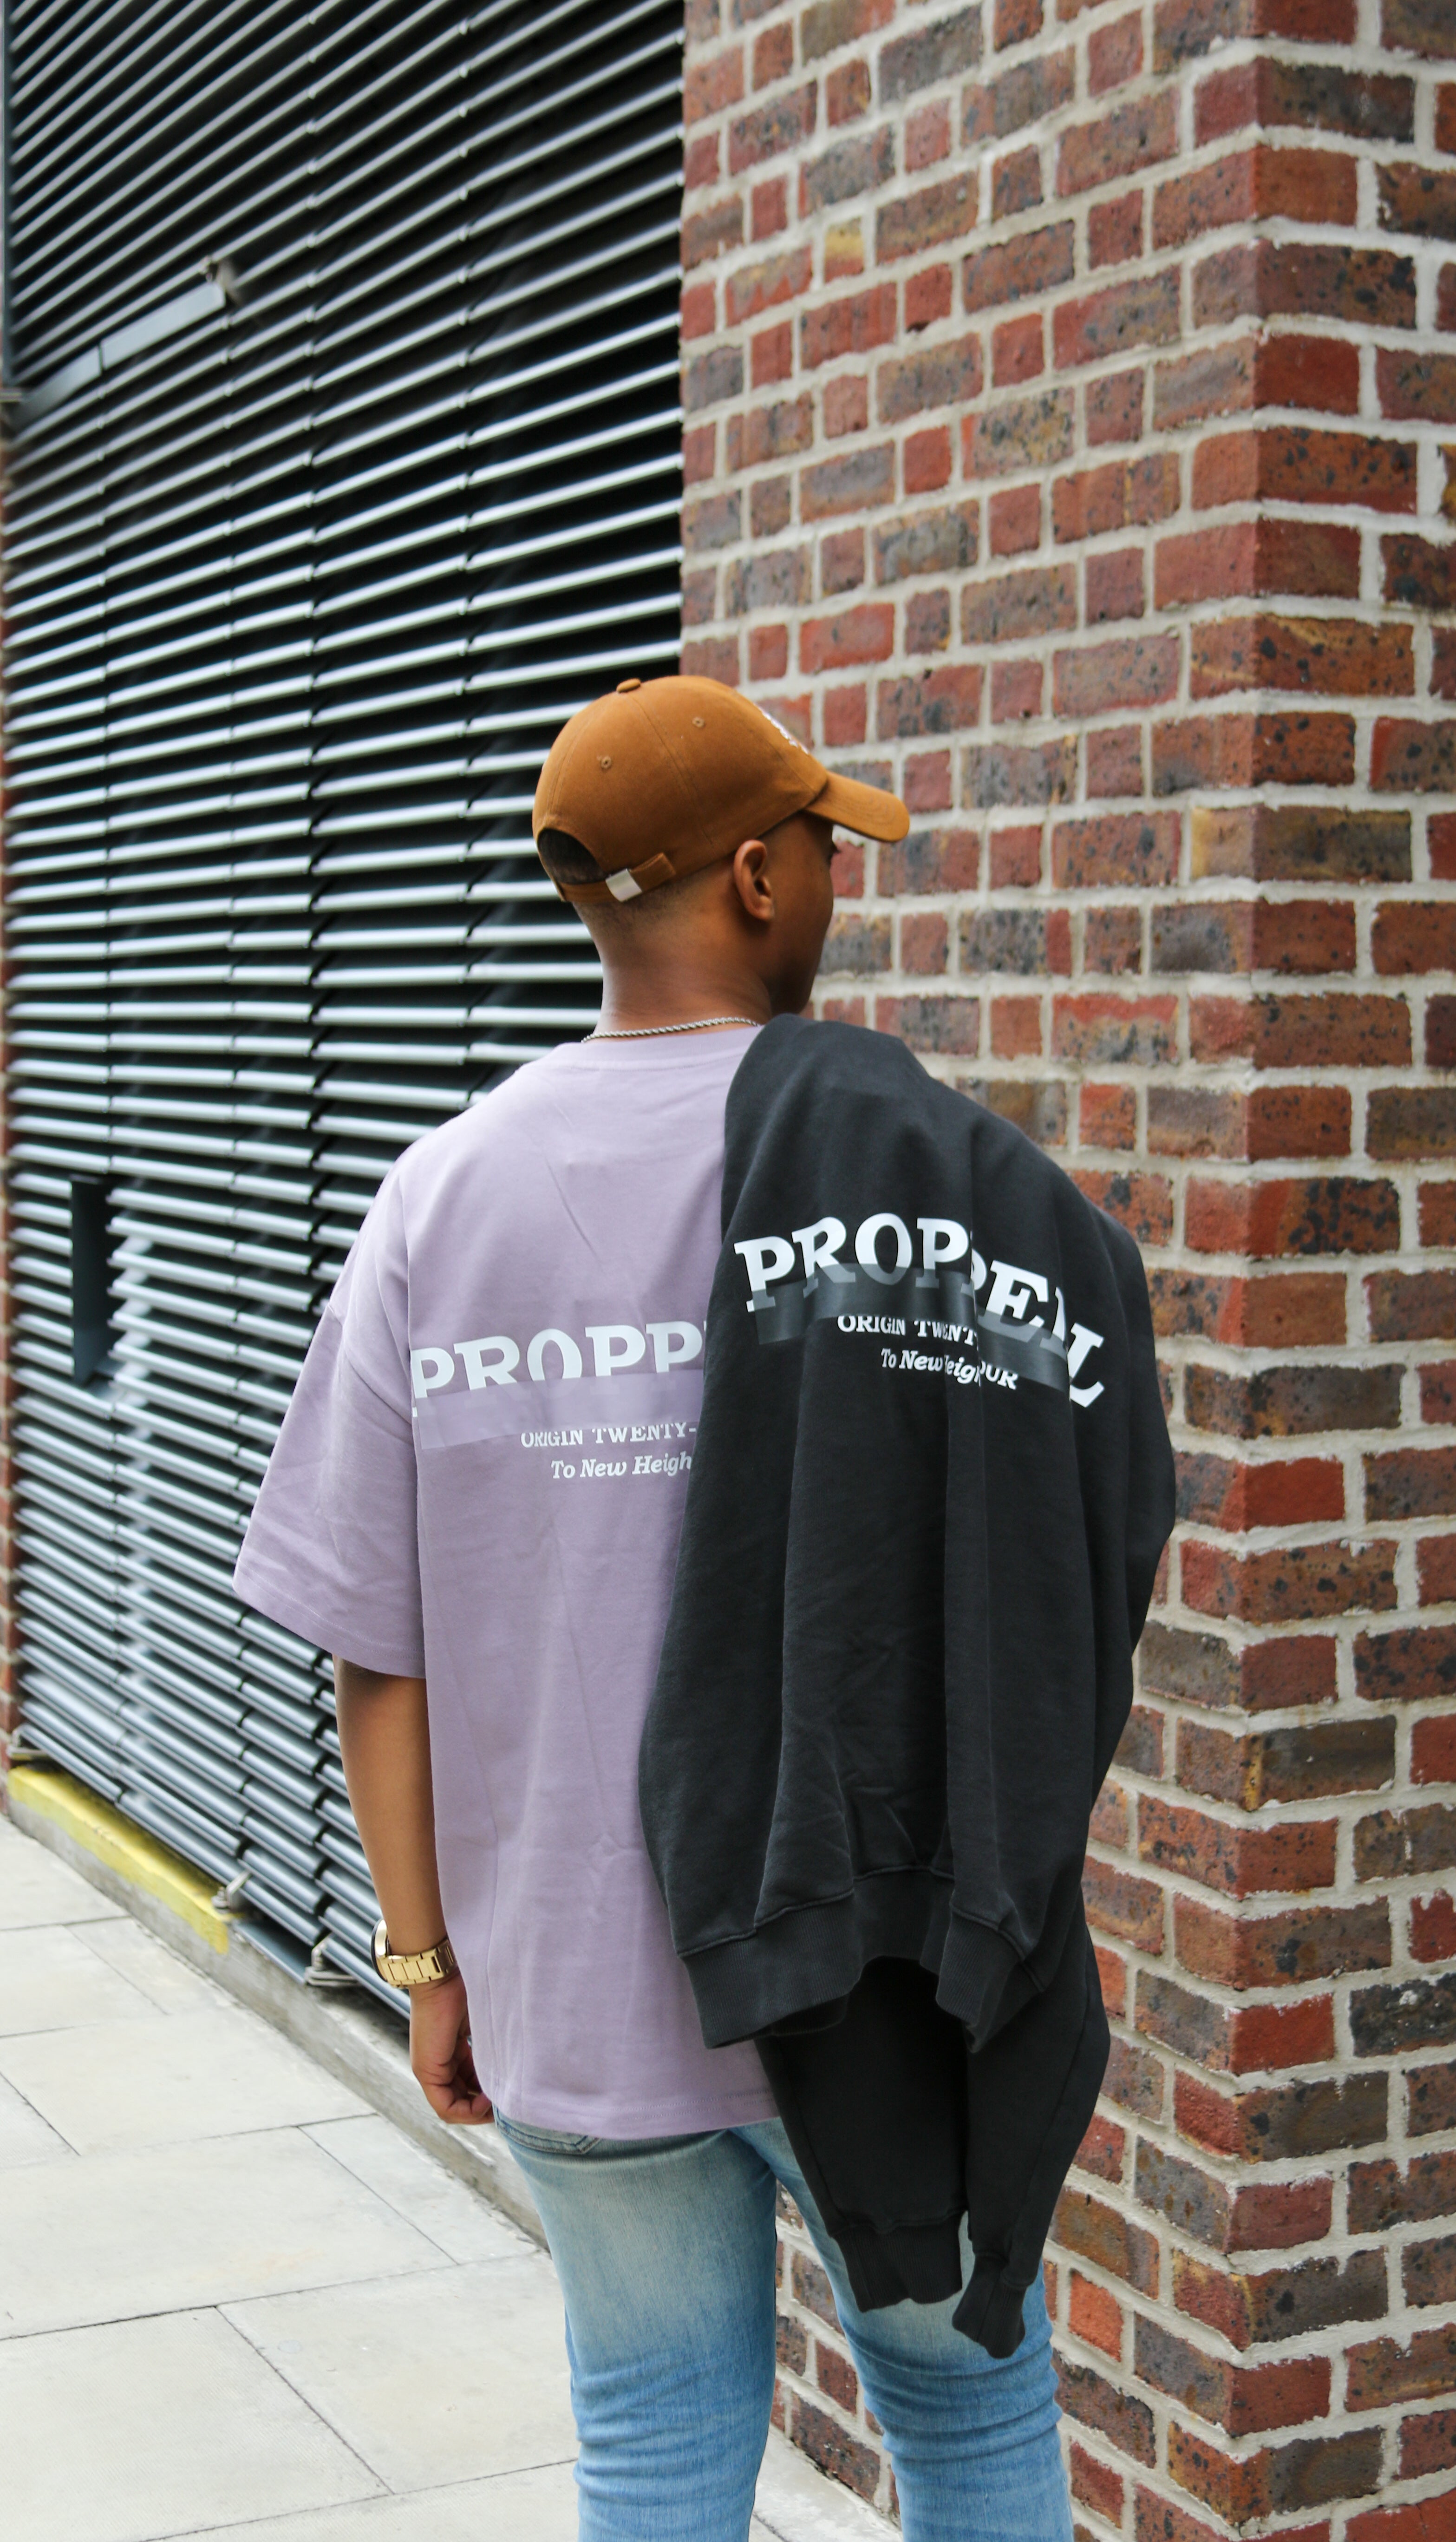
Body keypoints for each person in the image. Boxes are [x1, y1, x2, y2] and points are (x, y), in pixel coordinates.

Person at [233, 676, 1078, 2542]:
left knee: (651, 2451)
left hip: (573, 1981)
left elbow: (380, 1642)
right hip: (873, 1970)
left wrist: (428, 1963)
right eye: (824, 849)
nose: (837, 881)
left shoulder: (438, 1196)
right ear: (761, 880)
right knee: (970, 2421)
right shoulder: (913, 1182)